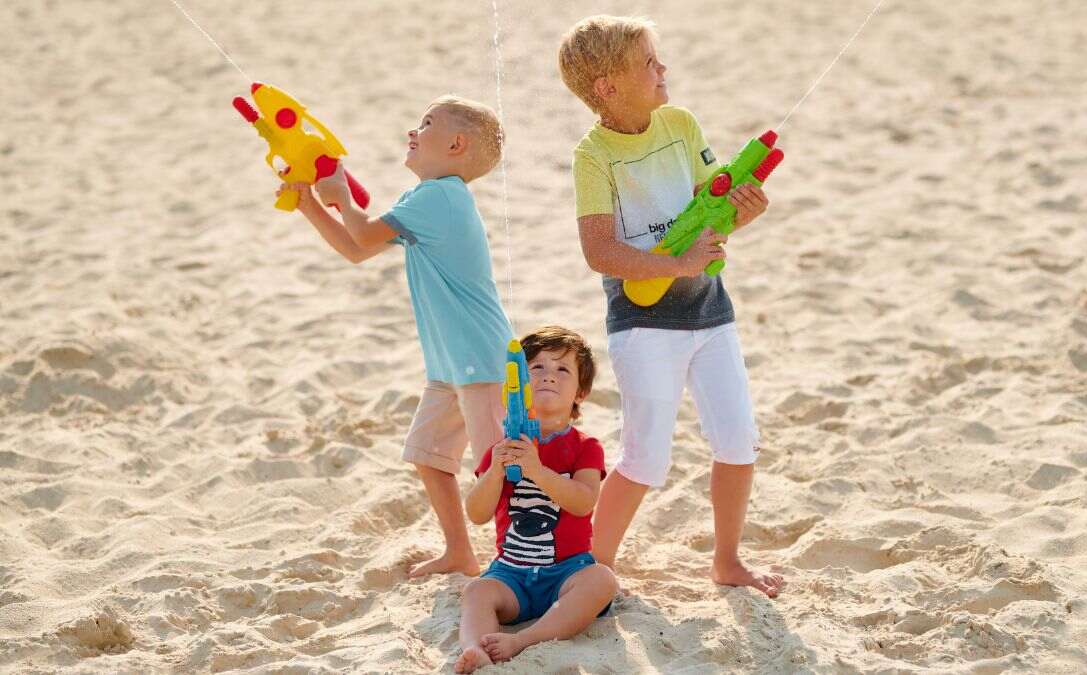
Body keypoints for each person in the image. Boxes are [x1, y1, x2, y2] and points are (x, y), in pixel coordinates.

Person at [558, 15, 783, 597]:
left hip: (711, 314)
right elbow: (599, 251)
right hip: (643, 325)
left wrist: (742, 212)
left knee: (738, 442)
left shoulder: (681, 124)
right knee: (645, 459)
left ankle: (727, 562)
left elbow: (712, 216)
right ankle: (590, 568)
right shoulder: (592, 156)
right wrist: (676, 265)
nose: (663, 69)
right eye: (649, 63)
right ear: (608, 86)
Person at [282, 95, 511, 578]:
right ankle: (459, 551)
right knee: (428, 454)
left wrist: (342, 196)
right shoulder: (425, 198)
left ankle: (521, 557)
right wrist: (309, 203)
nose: (413, 130)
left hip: (480, 358)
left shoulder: (441, 197)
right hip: (450, 362)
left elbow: (363, 234)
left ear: (456, 145)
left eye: (425, 123)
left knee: (499, 466)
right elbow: (357, 249)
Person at [455, 327, 617, 673]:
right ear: (517, 385)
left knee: (602, 580)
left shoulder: (585, 447)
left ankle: (525, 639)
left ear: (581, 392)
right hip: (511, 573)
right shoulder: (501, 448)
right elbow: (477, 513)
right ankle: (475, 648)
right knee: (476, 591)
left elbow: (583, 501)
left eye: (562, 369)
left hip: (568, 571)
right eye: (537, 367)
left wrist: (537, 471)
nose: (549, 375)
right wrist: (496, 471)